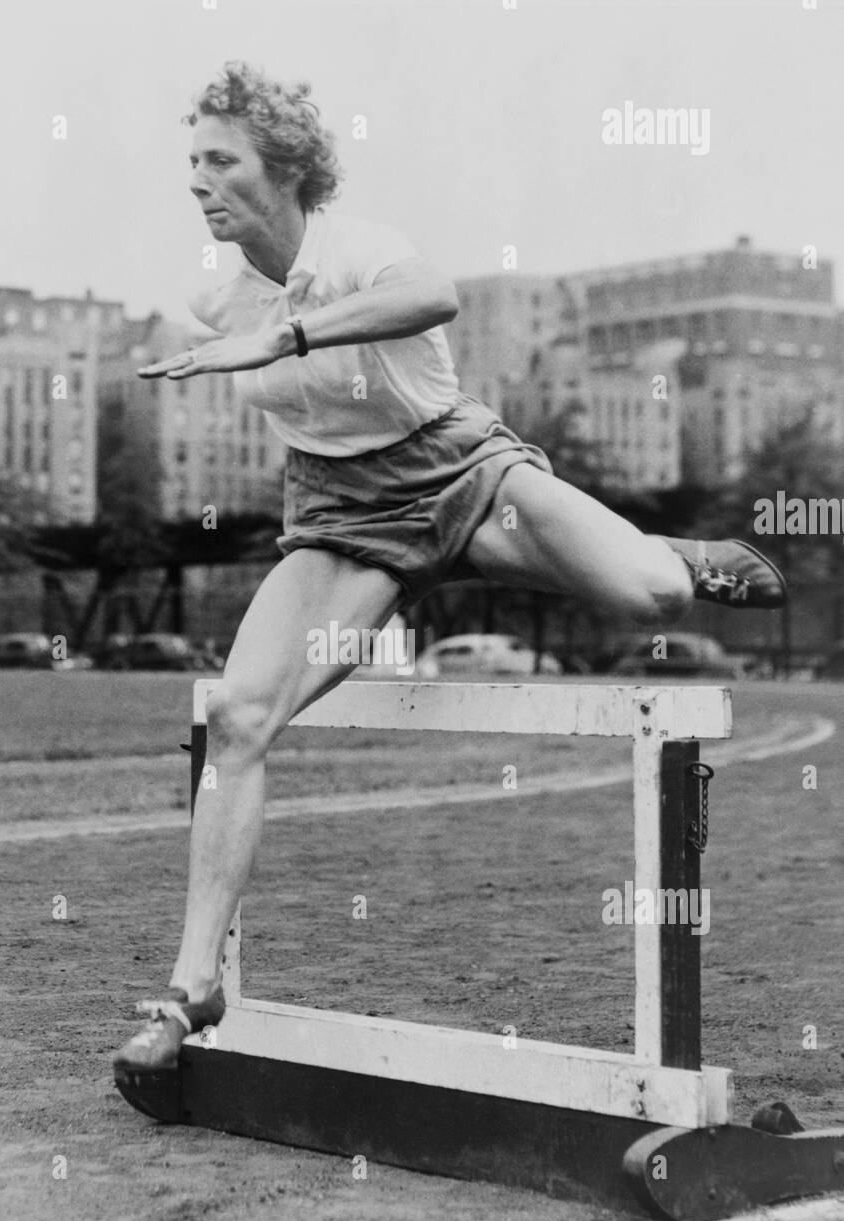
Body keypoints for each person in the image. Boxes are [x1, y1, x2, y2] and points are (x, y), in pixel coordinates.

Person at [114, 61, 785, 1073]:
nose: (198, 181)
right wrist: (228, 342)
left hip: (461, 473)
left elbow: (434, 296)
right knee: (239, 716)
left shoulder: (360, 250)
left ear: (286, 169)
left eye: (221, 160)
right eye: (192, 162)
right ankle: (188, 986)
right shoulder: (214, 301)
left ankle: (667, 554)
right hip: (342, 518)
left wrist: (280, 336)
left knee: (642, 593)